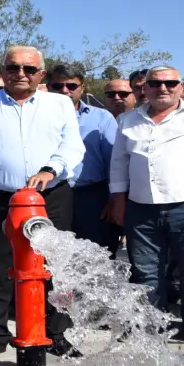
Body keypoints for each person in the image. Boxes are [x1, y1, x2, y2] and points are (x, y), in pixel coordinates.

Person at [0, 45, 85, 362]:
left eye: (29, 69)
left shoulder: (60, 104)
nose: (20, 74)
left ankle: (55, 333)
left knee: (56, 267)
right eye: (13, 68)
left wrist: (50, 169)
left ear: (41, 74)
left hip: (50, 196)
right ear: (3, 71)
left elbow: (72, 147)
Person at [110, 66, 184, 348]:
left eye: (170, 83)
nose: (162, 88)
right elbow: (118, 164)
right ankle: (152, 326)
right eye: (155, 83)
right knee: (145, 271)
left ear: (181, 86)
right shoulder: (128, 120)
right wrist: (118, 201)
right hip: (141, 209)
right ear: (145, 87)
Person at [47, 64, 121, 256]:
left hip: (92, 197)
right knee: (53, 255)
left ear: (82, 88)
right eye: (58, 86)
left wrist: (114, 199)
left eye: (71, 86)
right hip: (50, 194)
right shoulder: (35, 117)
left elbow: (115, 161)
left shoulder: (101, 118)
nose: (65, 91)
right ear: (48, 86)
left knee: (96, 255)